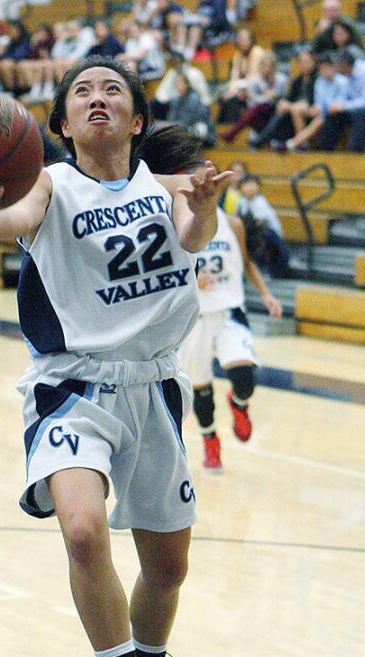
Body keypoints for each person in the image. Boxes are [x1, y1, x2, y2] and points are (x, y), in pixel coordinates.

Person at [0, 54, 231, 657]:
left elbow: (192, 235)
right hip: (73, 388)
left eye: (113, 90)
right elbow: (12, 220)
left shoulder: (171, 186)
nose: (98, 98)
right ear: (61, 124)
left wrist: (209, 204)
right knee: (84, 528)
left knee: (168, 568)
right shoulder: (49, 186)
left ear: (138, 118)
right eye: (82, 92)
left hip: (154, 386)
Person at [137, 124, 282, 470]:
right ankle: (211, 440)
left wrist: (267, 296)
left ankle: (240, 403)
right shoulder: (174, 217)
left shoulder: (232, 224)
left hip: (229, 308)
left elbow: (246, 264)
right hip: (195, 315)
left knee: (244, 375)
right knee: (200, 389)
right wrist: (189, 276)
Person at [248, 47, 318, 151]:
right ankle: (273, 140)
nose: (304, 64)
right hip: (294, 110)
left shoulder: (317, 79)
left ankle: (264, 139)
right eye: (302, 62)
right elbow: (290, 97)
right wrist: (283, 102)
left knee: (292, 109)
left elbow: (312, 101)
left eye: (307, 61)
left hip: (311, 111)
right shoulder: (298, 81)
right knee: (281, 107)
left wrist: (290, 105)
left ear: (314, 62)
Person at [313, 49, 365, 152]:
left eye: (337, 66)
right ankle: (324, 150)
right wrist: (337, 105)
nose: (336, 68)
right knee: (333, 115)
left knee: (359, 114)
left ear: (344, 65)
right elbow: (345, 96)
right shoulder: (345, 75)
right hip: (354, 108)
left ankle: (354, 154)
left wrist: (344, 106)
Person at [220, 51, 285, 143]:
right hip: (258, 114)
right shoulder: (254, 80)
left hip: (275, 114)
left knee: (257, 109)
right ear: (260, 66)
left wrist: (270, 97)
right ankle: (262, 140)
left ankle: (232, 133)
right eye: (264, 65)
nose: (267, 68)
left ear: (274, 67)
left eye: (270, 66)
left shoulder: (281, 80)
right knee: (253, 110)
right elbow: (253, 100)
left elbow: (283, 98)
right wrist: (267, 97)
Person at [235, 173, 291, 277]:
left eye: (253, 184)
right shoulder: (241, 201)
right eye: (246, 184)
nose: (250, 187)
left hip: (269, 235)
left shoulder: (259, 202)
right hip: (253, 233)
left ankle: (264, 268)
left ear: (258, 186)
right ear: (241, 187)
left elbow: (258, 223)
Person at [216, 28, 267, 124]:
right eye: (240, 39)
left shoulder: (258, 53)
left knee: (233, 101)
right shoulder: (238, 55)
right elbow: (234, 77)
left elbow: (253, 78)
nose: (242, 42)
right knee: (223, 98)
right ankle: (224, 127)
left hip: (257, 89)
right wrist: (231, 91)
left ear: (251, 40)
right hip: (242, 90)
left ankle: (234, 128)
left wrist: (236, 93)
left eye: (245, 39)